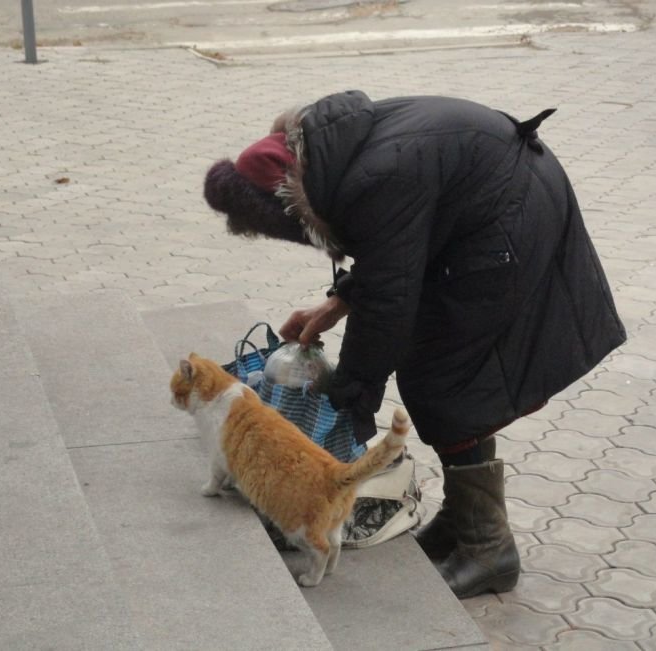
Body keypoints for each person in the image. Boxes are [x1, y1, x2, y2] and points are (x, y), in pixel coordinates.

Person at [203, 90, 626, 599]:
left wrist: (351, 395)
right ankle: (461, 520)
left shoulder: (374, 177)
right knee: (442, 375)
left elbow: (390, 297)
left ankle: (489, 549)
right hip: (497, 204)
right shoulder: (333, 151)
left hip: (506, 221)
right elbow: (395, 254)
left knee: (444, 377)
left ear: (290, 202)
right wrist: (335, 304)